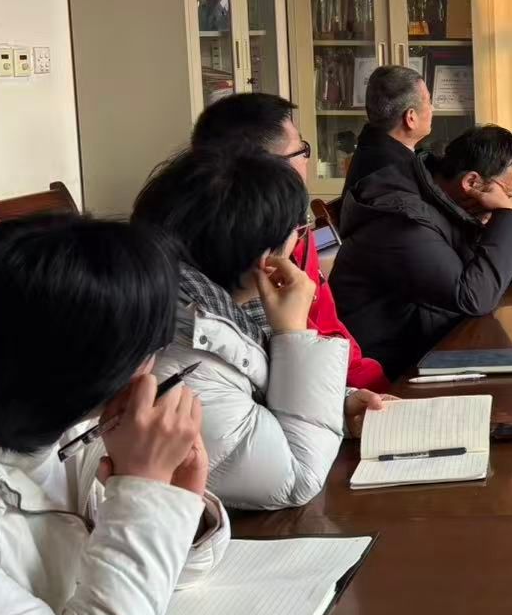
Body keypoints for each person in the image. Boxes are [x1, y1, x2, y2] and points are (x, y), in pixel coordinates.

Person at [0, 216, 229, 615]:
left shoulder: (60, 433)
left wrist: (179, 503)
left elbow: (171, 581)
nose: (153, 371)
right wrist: (145, 490)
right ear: (82, 372)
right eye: (146, 353)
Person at [133, 147, 368, 510]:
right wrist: (294, 336)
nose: (301, 241)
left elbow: (253, 387)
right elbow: (295, 478)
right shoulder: (182, 351)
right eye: (300, 229)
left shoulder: (206, 307)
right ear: (266, 260)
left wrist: (341, 402)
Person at [333, 124, 512, 377]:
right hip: (391, 370)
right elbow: (472, 295)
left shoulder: (438, 196)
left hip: (430, 343)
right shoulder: (402, 217)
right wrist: (507, 217)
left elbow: (475, 262)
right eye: (508, 194)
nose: (509, 204)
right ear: (471, 181)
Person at [191, 92, 389, 393]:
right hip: (321, 386)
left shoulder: (296, 230)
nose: (307, 159)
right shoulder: (247, 259)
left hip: (345, 378)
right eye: (302, 150)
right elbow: (290, 373)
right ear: (268, 170)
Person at [342, 65, 434, 199]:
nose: (432, 108)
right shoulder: (395, 174)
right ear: (411, 118)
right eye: (428, 101)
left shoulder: (371, 148)